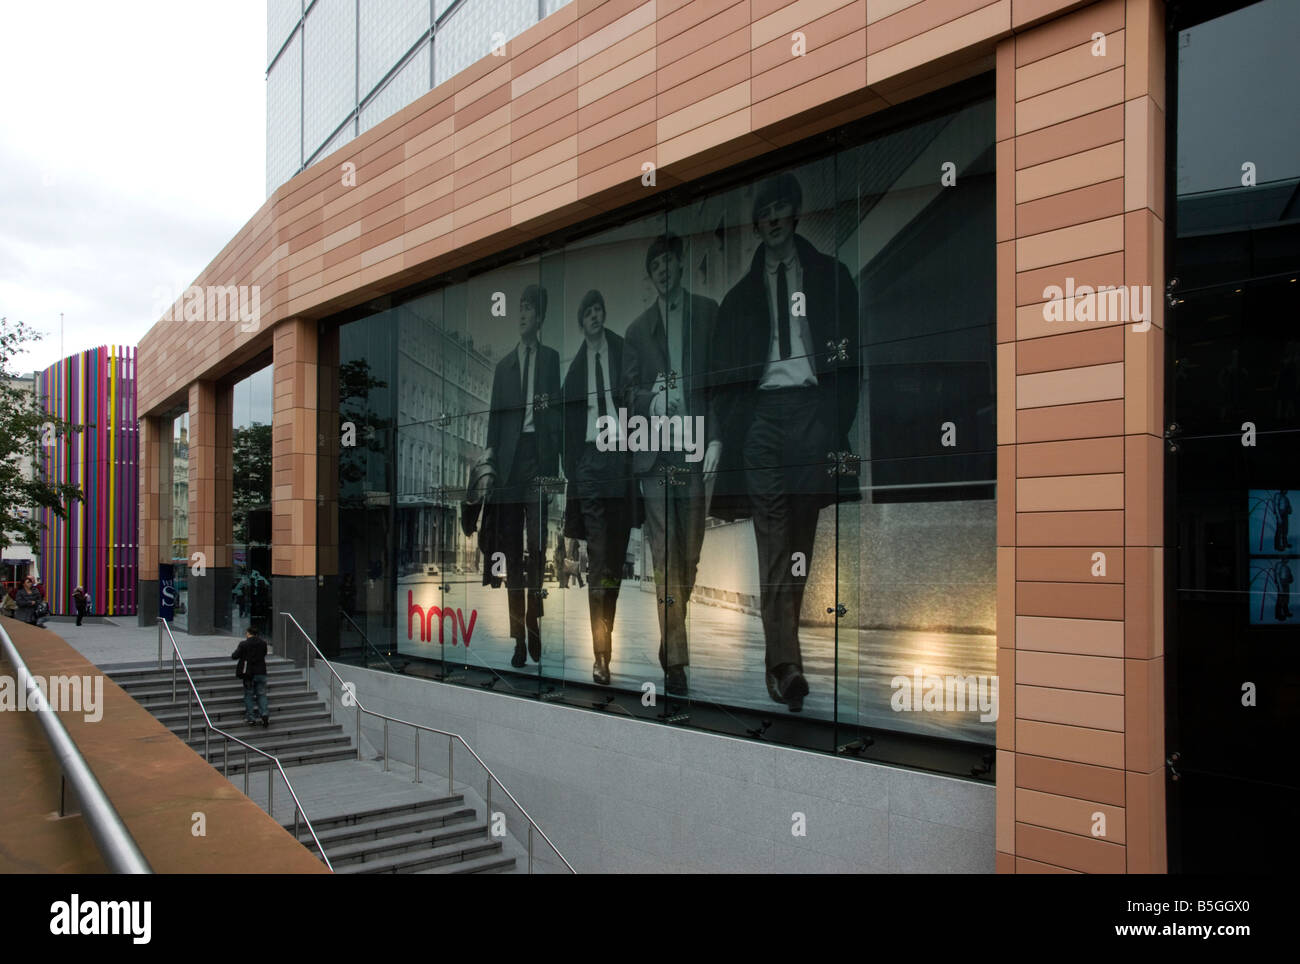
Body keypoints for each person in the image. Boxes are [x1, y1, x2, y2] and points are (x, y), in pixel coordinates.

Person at [710, 171, 862, 713]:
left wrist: (832, 422)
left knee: (800, 543)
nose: (773, 218)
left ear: (795, 214)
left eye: (781, 208)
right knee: (772, 541)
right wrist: (730, 431)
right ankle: (785, 664)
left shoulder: (830, 276)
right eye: (765, 210)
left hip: (811, 415)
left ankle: (784, 658)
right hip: (762, 422)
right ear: (758, 222)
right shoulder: (739, 298)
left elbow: (852, 358)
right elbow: (721, 375)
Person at [622, 233, 721, 697]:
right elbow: (626, 393)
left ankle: (671, 635)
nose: (663, 269)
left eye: (668, 261)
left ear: (681, 264)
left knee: (690, 550)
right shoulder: (638, 330)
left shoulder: (707, 313)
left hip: (694, 443)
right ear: (651, 274)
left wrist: (717, 435)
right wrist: (650, 398)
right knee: (664, 551)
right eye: (654, 264)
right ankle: (677, 660)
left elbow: (719, 383)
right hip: (657, 449)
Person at [484, 284, 562, 669]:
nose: (522, 315)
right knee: (513, 554)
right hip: (511, 467)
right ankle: (519, 636)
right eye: (520, 308)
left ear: (541, 317)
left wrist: (556, 468)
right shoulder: (504, 368)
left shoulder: (550, 359)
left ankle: (535, 626)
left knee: (537, 550)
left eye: (529, 308)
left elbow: (558, 417)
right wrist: (490, 462)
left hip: (538, 460)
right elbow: (494, 420)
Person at [563, 289, 637, 686]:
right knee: (599, 562)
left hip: (620, 461)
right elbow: (565, 430)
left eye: (598, 309)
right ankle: (601, 656)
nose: (594, 315)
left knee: (615, 562)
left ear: (604, 315)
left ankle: (605, 638)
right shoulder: (574, 372)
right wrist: (575, 469)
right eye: (587, 311)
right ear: (581, 321)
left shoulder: (623, 351)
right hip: (591, 463)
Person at [231, 626, 270, 726]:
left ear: (248, 633)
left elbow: (235, 656)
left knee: (249, 695)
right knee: (261, 694)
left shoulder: (244, 644)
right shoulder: (263, 643)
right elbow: (264, 654)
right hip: (261, 672)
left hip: (249, 674)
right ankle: (264, 714)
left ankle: (251, 717)